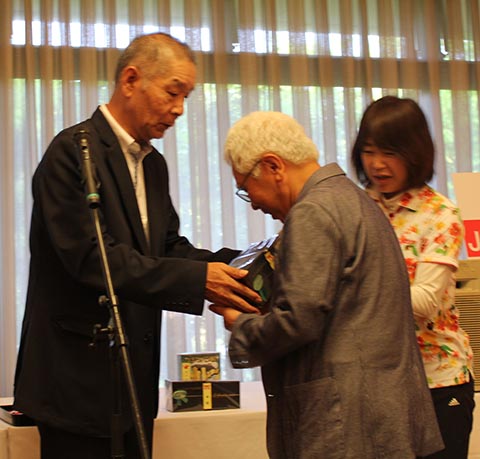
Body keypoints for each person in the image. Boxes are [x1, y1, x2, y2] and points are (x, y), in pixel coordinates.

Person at [13, 32, 260, 459]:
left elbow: (166, 249)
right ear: (131, 80)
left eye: (186, 96)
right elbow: (93, 260)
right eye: (173, 92)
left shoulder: (153, 164)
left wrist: (243, 264)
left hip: (132, 383)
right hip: (77, 382)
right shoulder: (72, 152)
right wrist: (200, 279)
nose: (180, 109)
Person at [210, 110, 444, 459]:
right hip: (378, 414)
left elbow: (298, 320)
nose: (254, 203)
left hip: (345, 423)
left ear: (274, 167)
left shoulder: (313, 211)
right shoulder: (352, 199)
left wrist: (240, 324)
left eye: (246, 188)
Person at [351, 95, 475, 459]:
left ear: (415, 152)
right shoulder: (356, 208)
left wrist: (356, 290)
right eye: (369, 151)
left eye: (389, 152)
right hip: (375, 381)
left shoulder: (441, 214)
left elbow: (423, 303)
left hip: (437, 380)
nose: (377, 164)